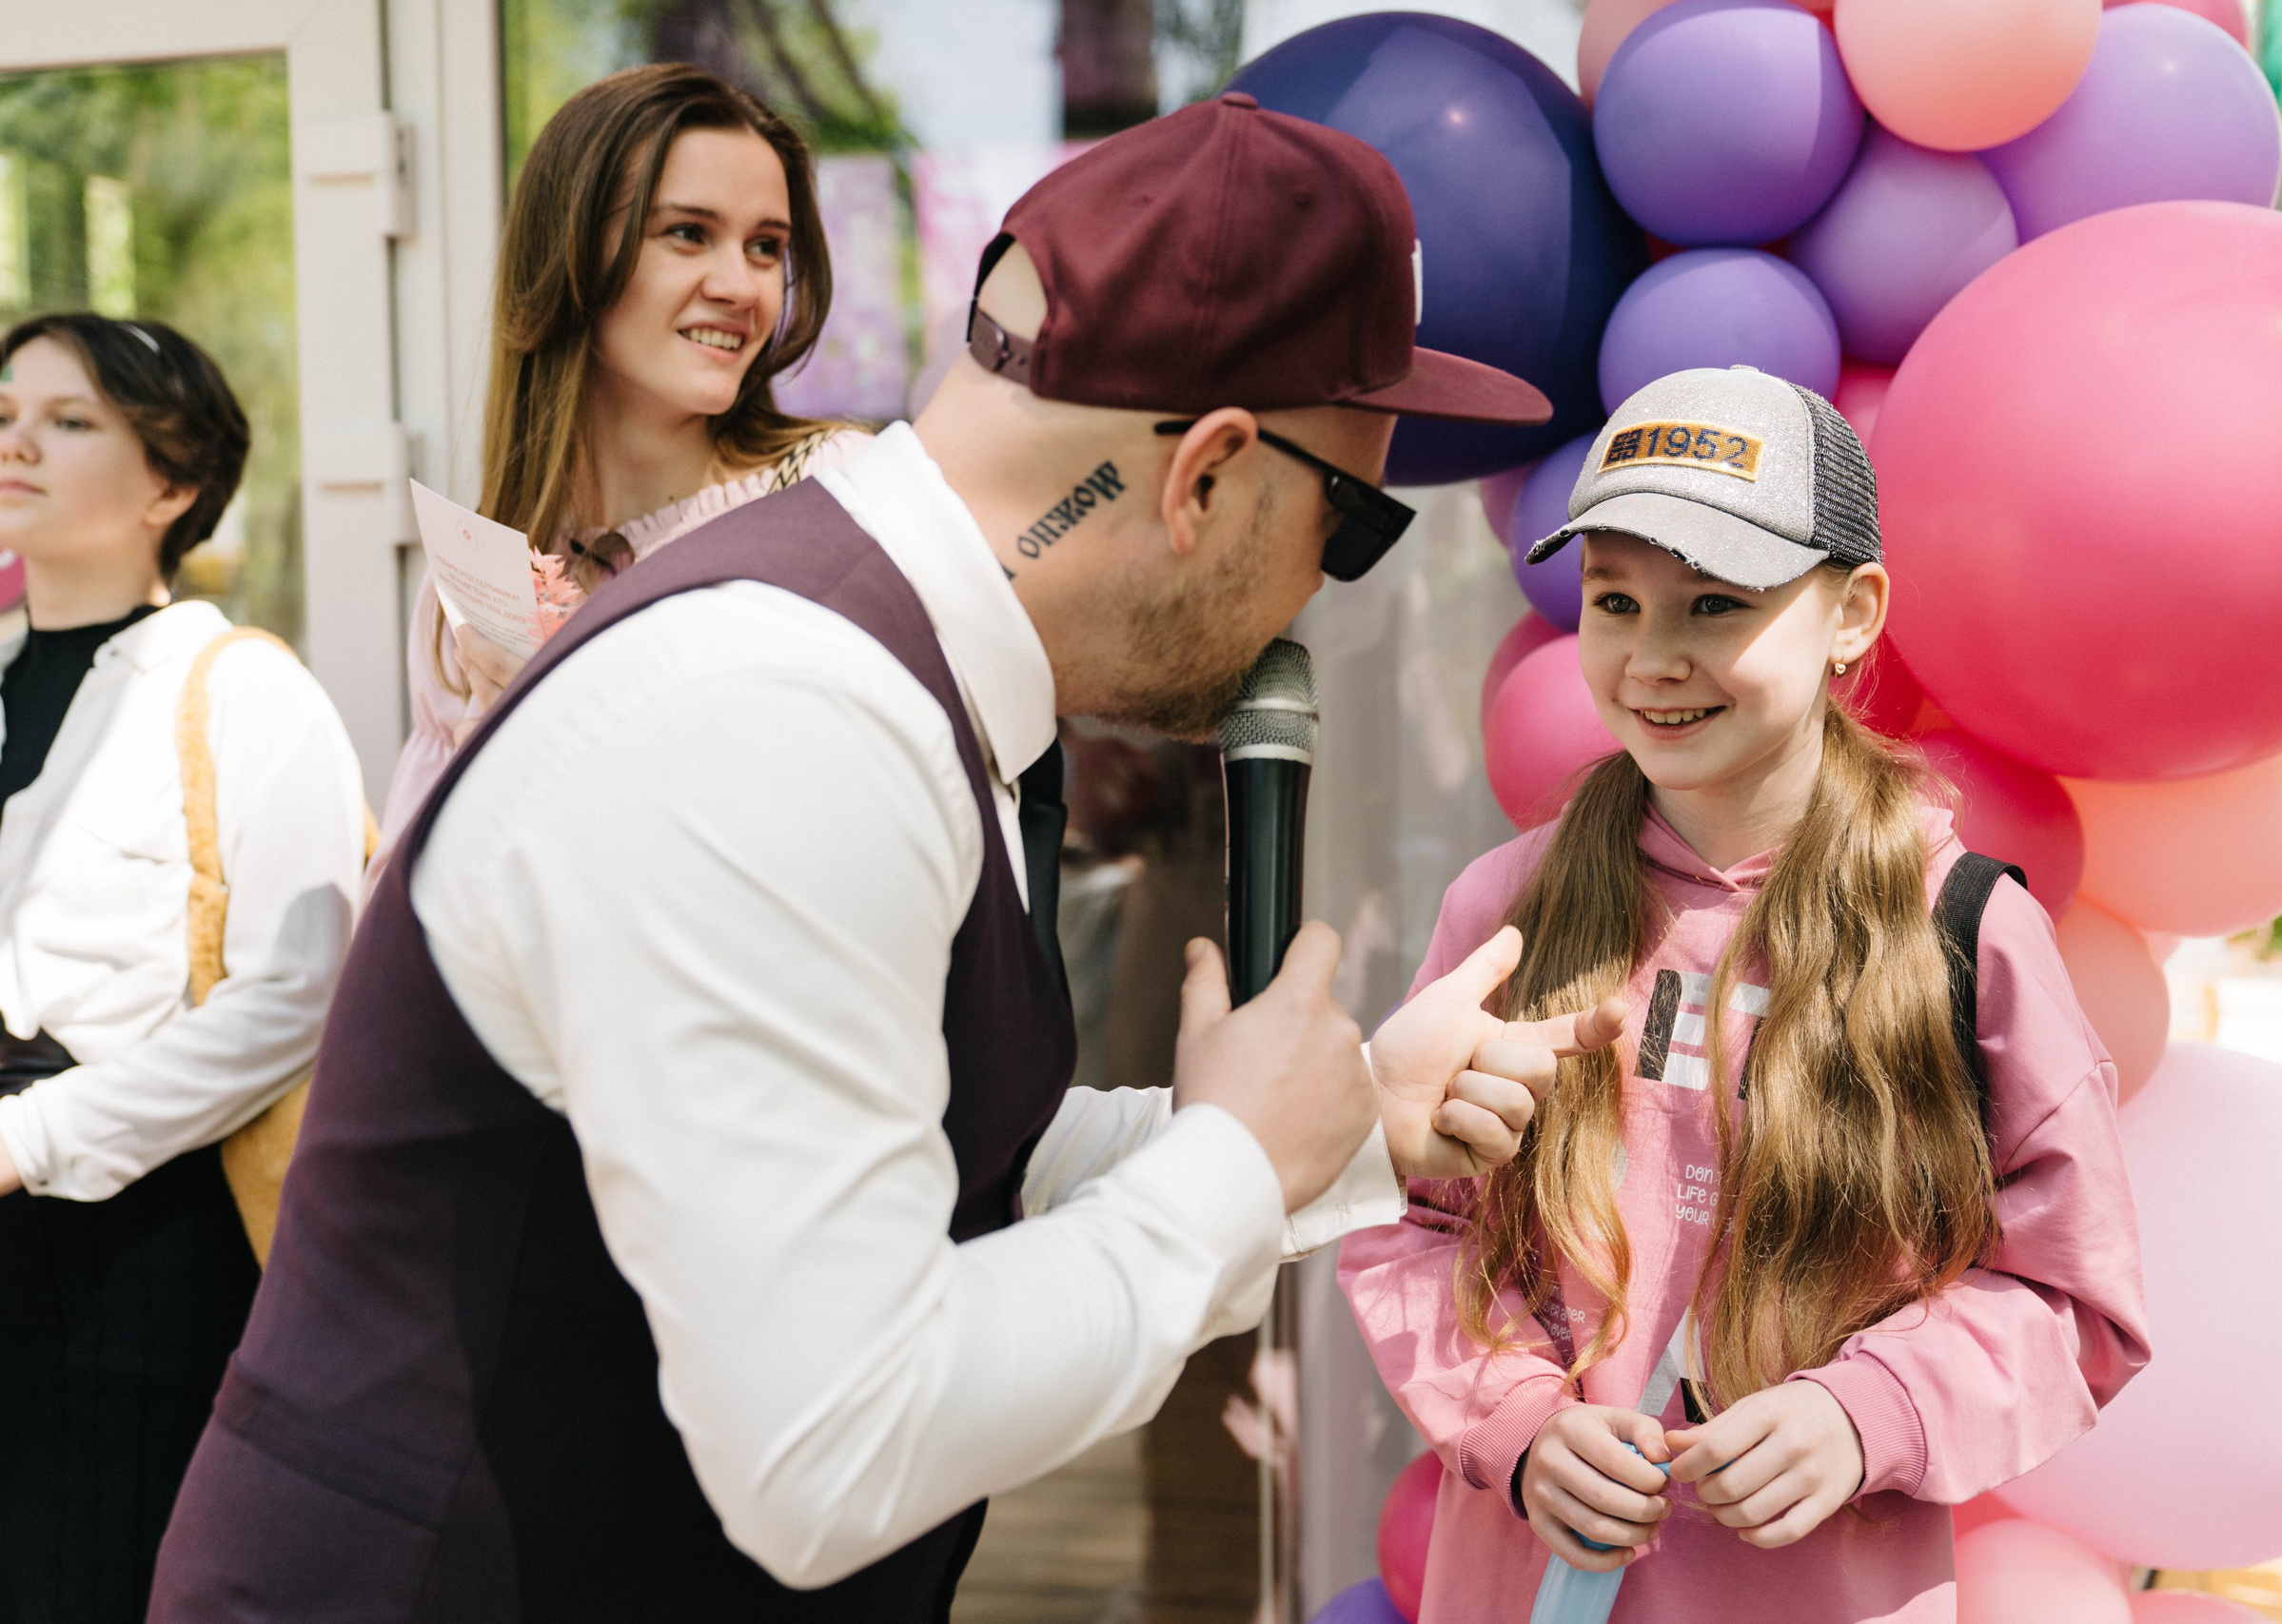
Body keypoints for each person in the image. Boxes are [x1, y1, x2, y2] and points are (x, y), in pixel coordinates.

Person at [151, 92, 1628, 1621]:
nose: (1323, 587)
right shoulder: (782, 710)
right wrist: (1235, 1164)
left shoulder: (873, 667)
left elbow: (910, 1147)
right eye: (1352, 522)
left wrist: (1347, 1116)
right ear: (1206, 473)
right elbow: (829, 1444)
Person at [1342, 367, 2151, 1623]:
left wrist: (1868, 1409)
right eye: (1614, 600)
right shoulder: (1505, 912)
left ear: (1852, 613)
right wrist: (1518, 1421)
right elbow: (1407, 1223)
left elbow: (2071, 1295)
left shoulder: (1964, 931)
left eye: (1716, 602)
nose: (1654, 657)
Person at [0, 314, 365, 1622]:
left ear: (174, 479)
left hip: (130, 1247)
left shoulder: (243, 690)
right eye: (5, 414)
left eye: (69, 420)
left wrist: (30, 1136)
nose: (17, 443)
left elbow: (296, 994)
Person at [381, 62, 871, 838]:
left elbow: (867, 811)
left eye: (766, 246)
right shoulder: (481, 578)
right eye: (688, 233)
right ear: (570, 253)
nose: (740, 286)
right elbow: (411, 893)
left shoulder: (833, 495)